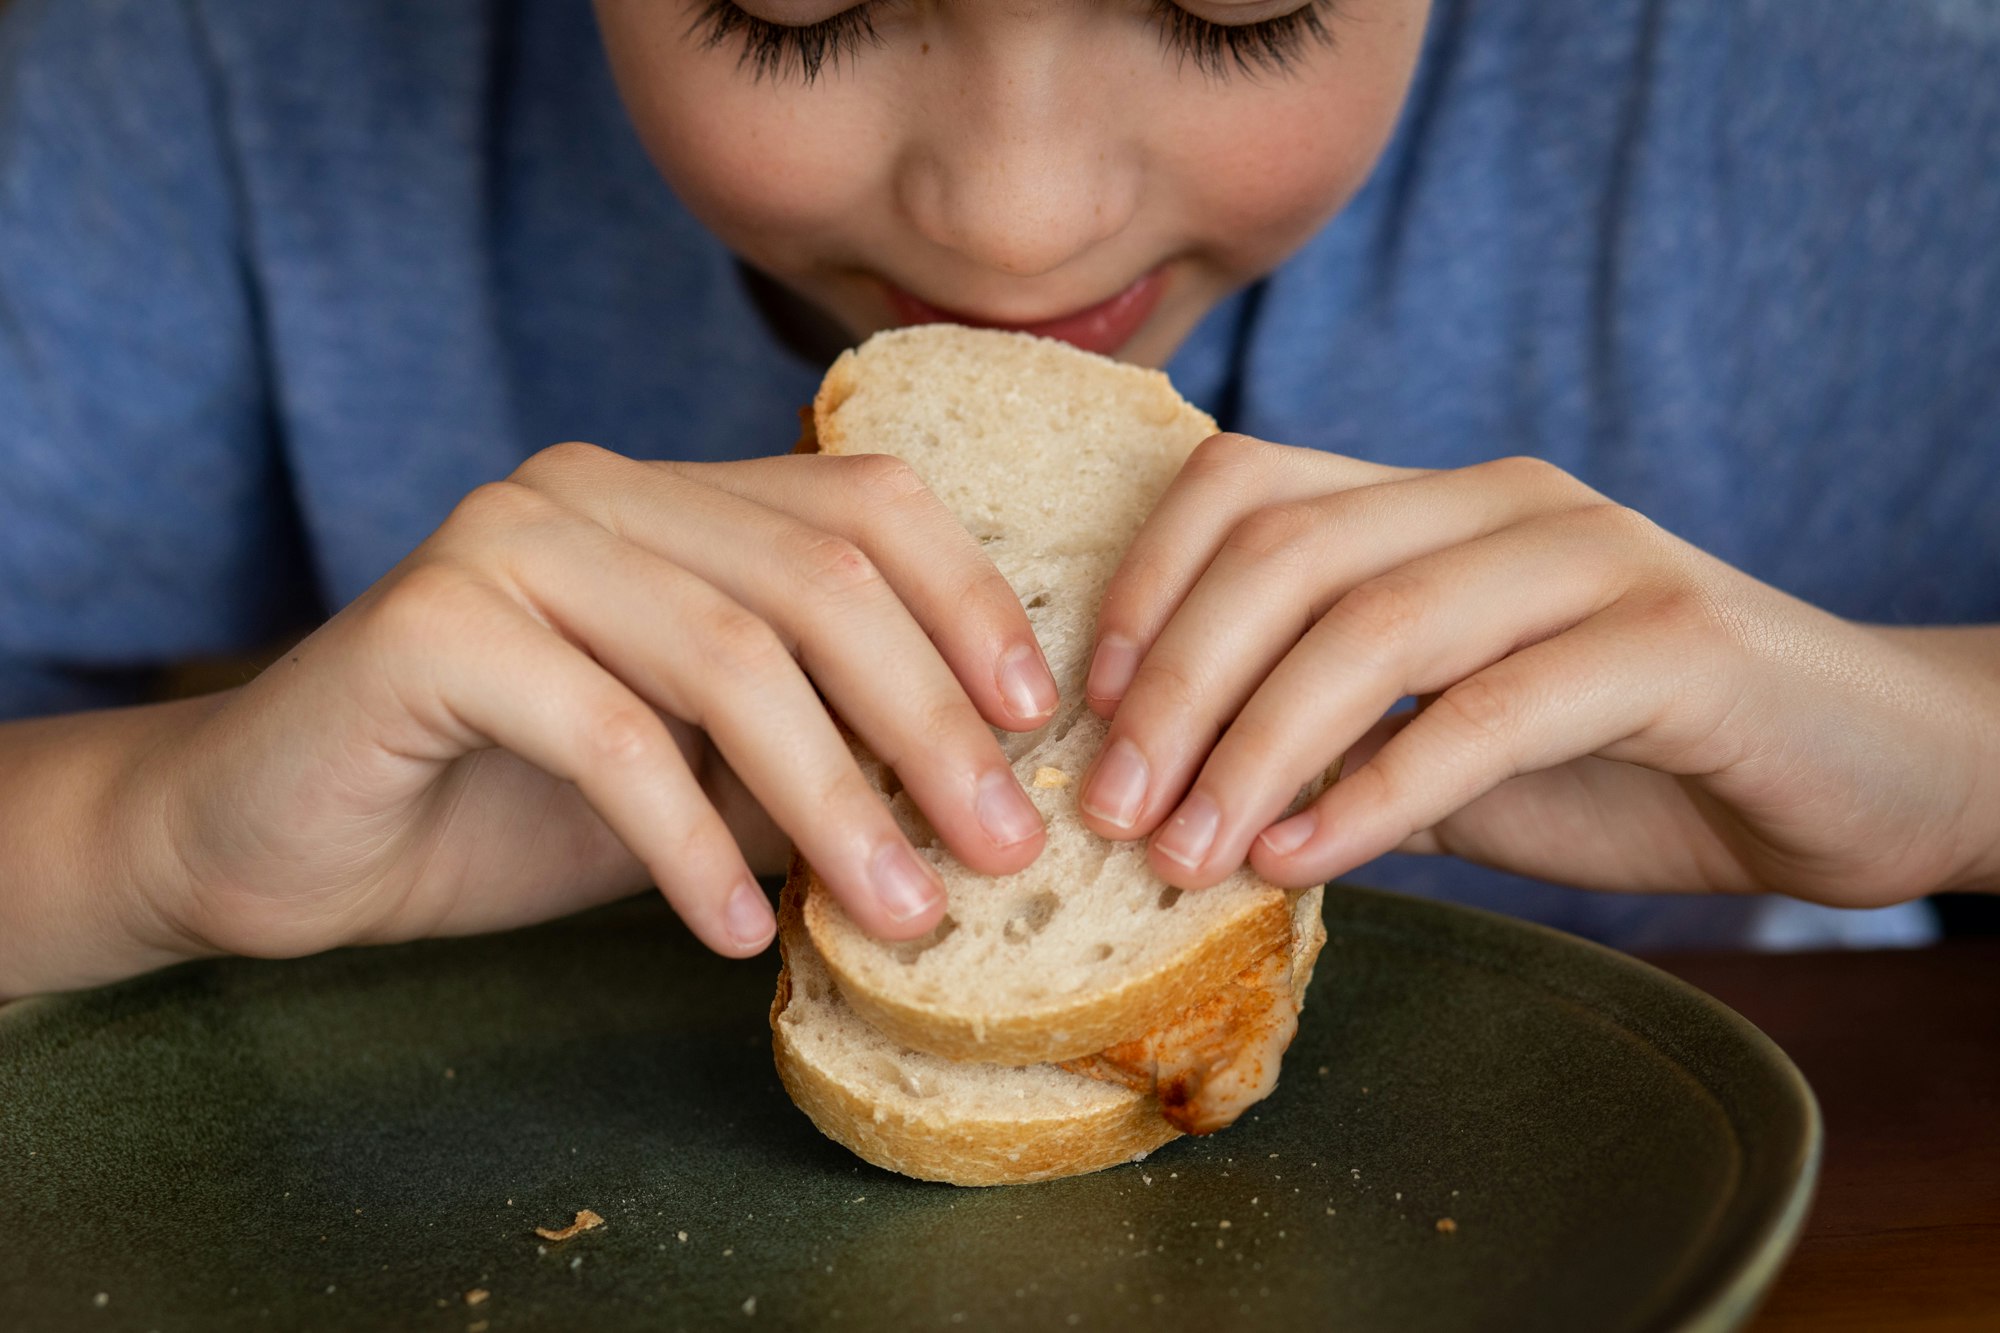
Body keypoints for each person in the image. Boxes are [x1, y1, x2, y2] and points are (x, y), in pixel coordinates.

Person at [1, 0, 1994, 1000]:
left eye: (1229, 7)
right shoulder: (203, 68)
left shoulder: (1864, 104)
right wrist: (149, 835)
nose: (1016, 213)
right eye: (796, 10)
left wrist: (1956, 761)